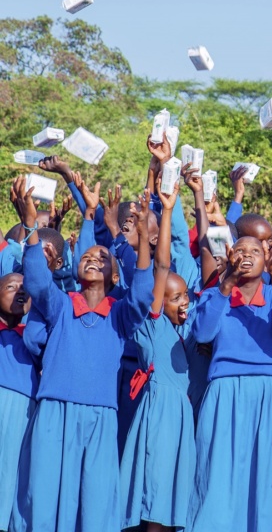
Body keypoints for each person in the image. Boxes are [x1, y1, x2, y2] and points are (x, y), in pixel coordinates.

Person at [11, 177, 154, 532]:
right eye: (87, 256)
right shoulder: (60, 305)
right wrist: (31, 226)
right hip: (54, 413)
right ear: (74, 269)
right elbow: (38, 280)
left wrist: (143, 235)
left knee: (95, 502)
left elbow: (143, 291)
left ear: (116, 275)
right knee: (42, 498)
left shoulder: (121, 315)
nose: (92, 259)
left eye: (102, 258)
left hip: (101, 416)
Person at [186, 232, 272, 532]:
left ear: (267, 258)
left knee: (263, 475)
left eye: (256, 251)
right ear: (229, 255)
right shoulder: (215, 295)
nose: (248, 255)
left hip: (267, 393)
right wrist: (226, 282)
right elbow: (202, 334)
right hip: (225, 391)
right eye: (241, 250)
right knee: (216, 471)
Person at [119, 176, 196, 531]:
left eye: (186, 296)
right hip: (160, 413)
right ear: (159, 300)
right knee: (155, 501)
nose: (185, 302)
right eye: (176, 297)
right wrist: (163, 212)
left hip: (180, 415)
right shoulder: (150, 323)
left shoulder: (184, 332)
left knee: (168, 502)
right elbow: (161, 266)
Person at [0, 273, 37, 532]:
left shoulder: (35, 335)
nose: (19, 292)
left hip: (24, 413)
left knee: (12, 478)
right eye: (11, 287)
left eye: (25, 288)